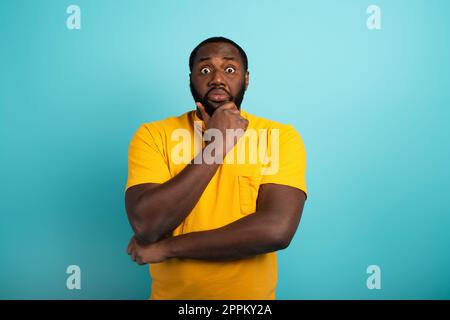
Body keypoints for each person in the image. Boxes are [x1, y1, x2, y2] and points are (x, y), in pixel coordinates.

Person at [125, 37, 307, 299]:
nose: (217, 79)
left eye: (230, 69)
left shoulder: (278, 136)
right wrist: (217, 146)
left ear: (246, 79)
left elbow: (275, 230)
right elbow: (147, 224)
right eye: (205, 70)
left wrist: (168, 248)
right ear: (191, 79)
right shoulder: (153, 135)